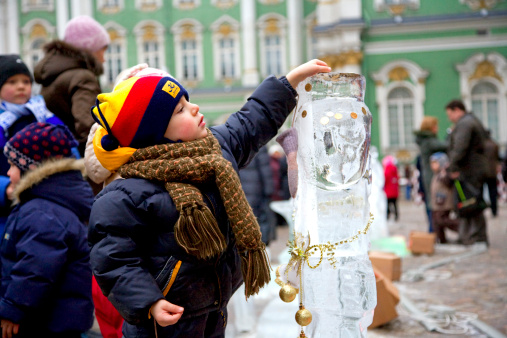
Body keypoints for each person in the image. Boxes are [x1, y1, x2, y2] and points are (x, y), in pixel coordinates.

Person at [88, 59, 331, 337]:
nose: (194, 108)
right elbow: (113, 260)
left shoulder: (215, 149)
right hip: (165, 321)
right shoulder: (126, 195)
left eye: (187, 100)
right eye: (180, 110)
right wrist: (149, 302)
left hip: (215, 306)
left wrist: (288, 83)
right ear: (155, 136)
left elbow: (251, 120)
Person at [0, 122, 94, 338]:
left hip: (46, 323)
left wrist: (13, 309)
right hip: (52, 319)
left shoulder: (42, 212)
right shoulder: (45, 204)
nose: (8, 172)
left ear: (30, 168)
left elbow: (35, 269)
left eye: (13, 165)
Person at [0, 54, 65, 236]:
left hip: (47, 203)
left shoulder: (44, 118)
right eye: (12, 82)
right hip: (6, 213)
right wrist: (5, 188)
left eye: (26, 81)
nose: (21, 86)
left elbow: (69, 152)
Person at [34, 15, 110, 156]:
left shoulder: (53, 75)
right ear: (90, 48)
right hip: (77, 161)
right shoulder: (82, 77)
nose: (104, 59)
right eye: (102, 50)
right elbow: (89, 127)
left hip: (54, 156)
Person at [445, 99, 489, 245]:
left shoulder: (465, 124)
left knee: (471, 204)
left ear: (457, 110)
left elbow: (460, 148)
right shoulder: (470, 121)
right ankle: (467, 236)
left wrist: (452, 167)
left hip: (469, 171)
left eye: (450, 114)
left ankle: (477, 237)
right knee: (467, 203)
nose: (450, 118)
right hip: (471, 169)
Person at [414, 116, 448, 232]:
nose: (437, 128)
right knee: (433, 204)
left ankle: (433, 231)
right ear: (431, 127)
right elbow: (445, 146)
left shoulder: (425, 140)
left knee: (431, 203)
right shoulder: (429, 141)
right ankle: (433, 231)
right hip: (431, 176)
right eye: (435, 126)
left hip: (427, 175)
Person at [429, 152, 459, 243]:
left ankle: (459, 226)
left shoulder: (444, 174)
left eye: (435, 163)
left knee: (441, 220)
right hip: (436, 203)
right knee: (436, 223)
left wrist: (445, 175)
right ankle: (441, 239)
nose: (432, 166)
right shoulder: (436, 175)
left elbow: (449, 182)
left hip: (444, 203)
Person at [483, 130, 499, 217]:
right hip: (492, 171)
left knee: (480, 192)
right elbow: (497, 157)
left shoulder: (481, 145)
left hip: (483, 172)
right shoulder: (494, 144)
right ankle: (494, 210)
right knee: (493, 191)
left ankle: (481, 209)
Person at [382, 155, 399, 221]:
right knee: (395, 205)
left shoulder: (387, 170)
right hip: (394, 191)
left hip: (388, 191)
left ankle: (388, 216)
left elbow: (384, 180)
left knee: (387, 205)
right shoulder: (395, 169)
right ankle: (396, 216)